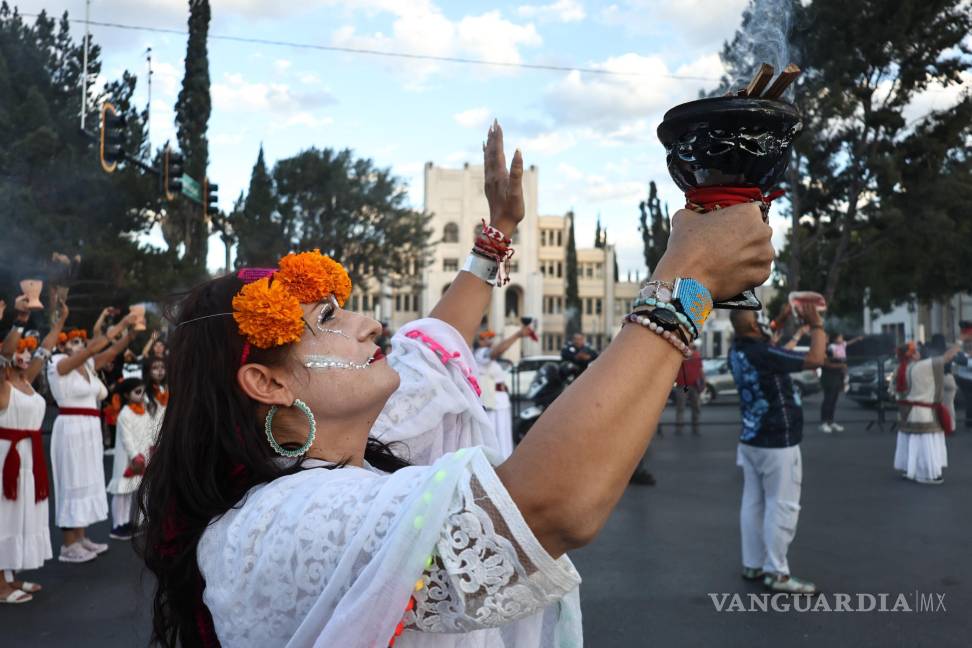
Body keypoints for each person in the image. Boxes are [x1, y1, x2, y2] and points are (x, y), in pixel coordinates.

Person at [135, 121, 774, 647]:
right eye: (329, 318)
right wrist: (682, 284)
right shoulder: (278, 524)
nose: (372, 323)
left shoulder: (351, 440)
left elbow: (433, 346)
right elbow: (553, 505)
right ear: (266, 384)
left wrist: (496, 235)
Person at [727, 303, 826, 594]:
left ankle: (753, 564)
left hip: (751, 439)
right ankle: (777, 573)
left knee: (753, 504)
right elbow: (815, 359)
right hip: (778, 442)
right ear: (754, 326)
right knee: (782, 506)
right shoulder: (764, 353)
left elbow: (761, 335)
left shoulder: (738, 350)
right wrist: (817, 325)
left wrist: (781, 320)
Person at [47, 312, 137, 563]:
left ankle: (81, 535)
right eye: (73, 342)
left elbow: (111, 352)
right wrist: (119, 324)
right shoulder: (57, 365)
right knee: (71, 482)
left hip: (89, 429)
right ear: (62, 345)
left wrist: (131, 334)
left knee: (88, 479)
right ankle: (68, 545)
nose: (78, 345)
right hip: (70, 428)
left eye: (80, 341)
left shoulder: (87, 366)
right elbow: (89, 352)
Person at [0, 296, 68, 603]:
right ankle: (0, 584)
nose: (26, 353)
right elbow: (3, 354)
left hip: (29, 456)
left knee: (20, 516)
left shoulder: (27, 379)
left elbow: (47, 347)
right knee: (4, 516)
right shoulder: (3, 383)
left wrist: (61, 322)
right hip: (6, 457)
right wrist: (19, 319)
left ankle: (11, 576)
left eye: (28, 349)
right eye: (22, 349)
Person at [892, 340, 963, 485]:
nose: (919, 352)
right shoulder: (921, 367)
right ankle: (927, 474)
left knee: (910, 442)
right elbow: (947, 357)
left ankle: (909, 469)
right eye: (916, 350)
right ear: (913, 355)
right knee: (926, 445)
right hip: (924, 413)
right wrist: (961, 340)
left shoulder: (899, 369)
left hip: (906, 413)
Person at [106, 378, 155, 540]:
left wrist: (150, 447)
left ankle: (126, 522)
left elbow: (148, 431)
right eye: (137, 392)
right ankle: (117, 525)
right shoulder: (124, 414)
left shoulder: (143, 410)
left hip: (140, 455)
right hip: (127, 458)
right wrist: (135, 455)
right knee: (121, 491)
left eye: (142, 391)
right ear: (127, 395)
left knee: (130, 492)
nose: (141, 395)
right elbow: (126, 438)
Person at [474, 325, 531, 459]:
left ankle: (502, 463)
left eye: (491, 337)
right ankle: (496, 465)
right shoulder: (480, 353)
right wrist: (517, 335)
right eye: (485, 337)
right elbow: (496, 352)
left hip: (498, 401)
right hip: (492, 402)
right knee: (495, 437)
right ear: (479, 340)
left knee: (502, 436)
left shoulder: (485, 354)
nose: (489, 340)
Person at [674, 342, 704, 435]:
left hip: (690, 385)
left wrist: (703, 382)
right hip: (684, 385)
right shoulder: (680, 354)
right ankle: (685, 428)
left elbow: (700, 370)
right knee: (683, 407)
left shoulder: (695, 355)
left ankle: (691, 428)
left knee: (692, 407)